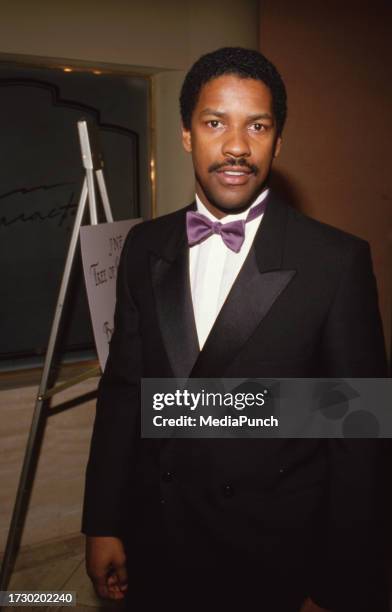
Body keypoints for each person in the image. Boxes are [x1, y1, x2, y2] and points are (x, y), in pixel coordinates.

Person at [82, 47, 389, 612]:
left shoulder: (335, 261)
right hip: (159, 544)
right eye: (215, 122)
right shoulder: (143, 247)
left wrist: (339, 583)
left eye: (258, 125)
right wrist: (103, 521)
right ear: (186, 134)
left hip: (275, 561)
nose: (236, 147)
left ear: (278, 141)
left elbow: (358, 433)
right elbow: (125, 393)